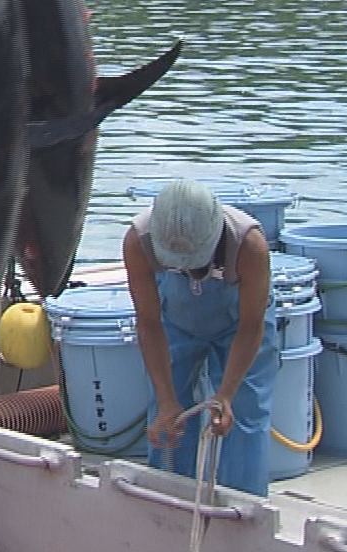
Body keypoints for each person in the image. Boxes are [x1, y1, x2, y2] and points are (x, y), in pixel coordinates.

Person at [122, 179, 278, 495]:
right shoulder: (138, 241)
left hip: (239, 325)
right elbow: (149, 324)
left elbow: (251, 326)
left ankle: (243, 507)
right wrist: (166, 399)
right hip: (176, 321)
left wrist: (226, 395)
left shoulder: (249, 244)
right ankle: (169, 499)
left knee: (243, 414)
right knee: (168, 417)